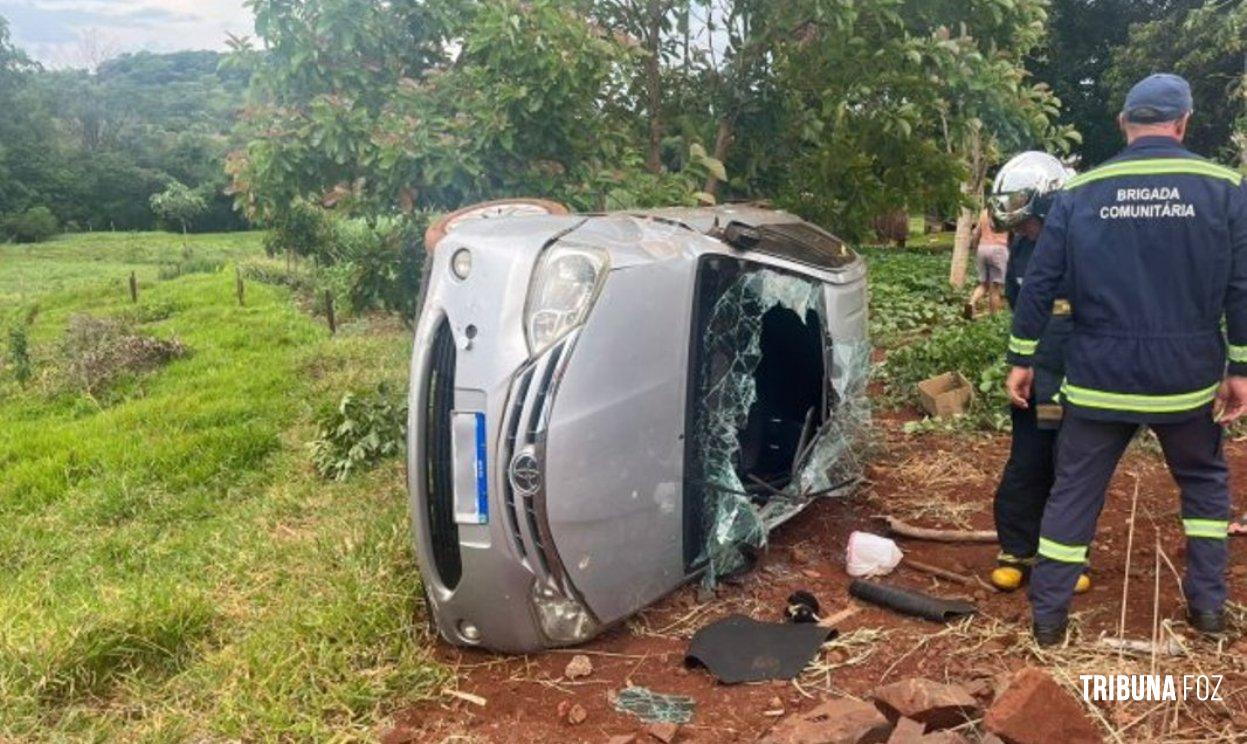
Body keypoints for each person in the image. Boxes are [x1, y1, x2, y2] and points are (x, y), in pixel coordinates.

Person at [1005, 73, 1247, 646]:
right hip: (1185, 379)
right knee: (1205, 486)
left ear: (1123, 124)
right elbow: (1241, 286)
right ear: (1184, 122)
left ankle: (1048, 621)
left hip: (1097, 378)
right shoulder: (1225, 188)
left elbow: (1039, 282)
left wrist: (1022, 357)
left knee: (1073, 492)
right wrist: (1239, 368)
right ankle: (1209, 612)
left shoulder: (1081, 192)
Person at [983, 152, 1091, 595]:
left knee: (1073, 466)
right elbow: (1020, 305)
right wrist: (1022, 362)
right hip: (1038, 376)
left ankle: (1066, 556)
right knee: (1029, 459)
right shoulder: (1023, 245)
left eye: (1028, 223)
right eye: (1018, 227)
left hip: (1081, 374)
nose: (1023, 233)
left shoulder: (1090, 242)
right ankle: (1017, 550)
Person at [964, 208, 1010, 318]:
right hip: (999, 249)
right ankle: (993, 317)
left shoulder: (985, 212)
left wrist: (976, 250)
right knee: (995, 287)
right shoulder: (1006, 211)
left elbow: (976, 234)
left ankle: (971, 303)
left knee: (984, 284)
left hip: (982, 248)